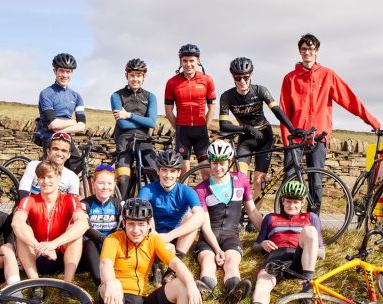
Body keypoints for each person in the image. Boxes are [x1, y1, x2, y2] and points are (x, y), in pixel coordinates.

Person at [99, 198, 215, 304]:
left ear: (148, 224)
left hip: (143, 303)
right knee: (109, 284)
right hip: (118, 300)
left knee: (181, 284)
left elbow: (175, 263)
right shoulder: (113, 239)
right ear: (124, 223)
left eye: (141, 224)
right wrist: (109, 282)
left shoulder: (153, 239)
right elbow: (105, 265)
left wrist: (191, 284)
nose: (136, 230)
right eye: (131, 224)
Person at [280, 33, 381, 213]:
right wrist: (286, 139)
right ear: (299, 51)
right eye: (304, 49)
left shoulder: (328, 75)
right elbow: (284, 111)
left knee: (316, 180)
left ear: (317, 51)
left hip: (319, 136)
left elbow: (349, 99)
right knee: (289, 178)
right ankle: (285, 221)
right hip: (295, 137)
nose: (307, 53)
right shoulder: (290, 78)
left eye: (311, 49)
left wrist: (370, 120)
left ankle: (313, 220)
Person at [231, 180, 324, 304]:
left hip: (299, 257)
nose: (292, 205)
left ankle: (307, 285)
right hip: (276, 258)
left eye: (296, 202)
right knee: (263, 283)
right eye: (288, 201)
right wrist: (263, 243)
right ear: (282, 200)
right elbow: (256, 245)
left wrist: (308, 248)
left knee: (309, 231)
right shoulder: (270, 218)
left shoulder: (311, 217)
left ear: (303, 202)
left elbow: (321, 252)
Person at [219, 57, 299, 207]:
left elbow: (277, 111)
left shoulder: (260, 90)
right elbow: (223, 125)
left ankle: (253, 216)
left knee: (259, 180)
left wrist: (292, 129)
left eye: (245, 77)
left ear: (251, 75)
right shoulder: (227, 97)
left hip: (264, 138)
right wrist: (245, 128)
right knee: (239, 179)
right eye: (238, 77)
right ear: (233, 77)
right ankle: (236, 214)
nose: (242, 80)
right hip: (246, 140)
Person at [193, 140, 263, 304]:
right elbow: (205, 224)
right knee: (208, 262)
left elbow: (252, 211)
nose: (218, 167)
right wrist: (217, 250)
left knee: (231, 262)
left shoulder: (241, 180)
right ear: (209, 163)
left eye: (222, 163)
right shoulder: (201, 189)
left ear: (230, 162)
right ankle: (206, 289)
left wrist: (268, 234)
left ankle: (234, 290)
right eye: (214, 163)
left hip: (231, 236)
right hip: (208, 238)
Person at [12, 160, 89, 282]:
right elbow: (16, 223)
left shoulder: (70, 199)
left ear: (58, 177)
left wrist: (54, 244)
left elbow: (83, 224)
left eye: (50, 177)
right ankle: (35, 283)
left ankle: (68, 284)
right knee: (22, 232)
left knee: (75, 232)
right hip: (36, 253)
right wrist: (39, 247)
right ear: (37, 180)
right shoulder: (29, 200)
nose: (45, 181)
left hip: (61, 255)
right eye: (41, 178)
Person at [138, 150, 204, 285]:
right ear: (158, 171)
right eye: (164, 170)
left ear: (179, 173)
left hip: (176, 237)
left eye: (173, 171)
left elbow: (200, 216)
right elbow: (139, 213)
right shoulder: (148, 189)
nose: (168, 175)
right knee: (145, 213)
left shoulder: (186, 191)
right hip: (152, 235)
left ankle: (172, 270)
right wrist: (158, 239)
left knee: (193, 216)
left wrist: (170, 236)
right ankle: (155, 267)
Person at [164, 44, 216, 179]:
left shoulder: (207, 80)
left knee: (206, 171)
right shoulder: (172, 83)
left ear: (198, 60)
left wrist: (205, 126)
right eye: (185, 61)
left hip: (201, 131)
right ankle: (183, 200)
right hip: (183, 132)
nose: (188, 64)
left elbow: (212, 108)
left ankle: (206, 200)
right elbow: (168, 111)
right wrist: (180, 127)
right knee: (183, 171)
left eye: (191, 60)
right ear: (180, 61)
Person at [111, 58, 158, 200]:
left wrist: (128, 115)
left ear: (144, 77)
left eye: (138, 76)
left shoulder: (150, 97)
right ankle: (121, 212)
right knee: (123, 180)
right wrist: (143, 122)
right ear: (127, 76)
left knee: (156, 174)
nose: (135, 79)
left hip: (144, 141)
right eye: (132, 75)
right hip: (124, 141)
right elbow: (123, 125)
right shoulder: (116, 96)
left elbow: (152, 122)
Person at [32, 53, 85, 173]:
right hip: (49, 139)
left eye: (68, 72)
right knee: (51, 175)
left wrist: (61, 131)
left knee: (79, 174)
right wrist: (73, 122)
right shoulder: (46, 93)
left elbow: (82, 126)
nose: (65, 75)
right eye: (62, 71)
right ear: (55, 71)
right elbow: (53, 124)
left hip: (67, 138)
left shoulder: (76, 96)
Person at [79, 164, 123, 286]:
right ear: (93, 184)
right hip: (90, 249)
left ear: (114, 185)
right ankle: (100, 283)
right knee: (88, 242)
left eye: (109, 183)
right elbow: (85, 227)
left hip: (112, 247)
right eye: (101, 183)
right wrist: (104, 239)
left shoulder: (119, 204)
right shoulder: (84, 204)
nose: (105, 187)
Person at [18, 132, 80, 199]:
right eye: (55, 149)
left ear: (68, 155)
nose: (59, 153)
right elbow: (23, 193)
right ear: (48, 151)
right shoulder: (33, 166)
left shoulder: (73, 178)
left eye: (63, 151)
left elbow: (73, 204)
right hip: (30, 206)